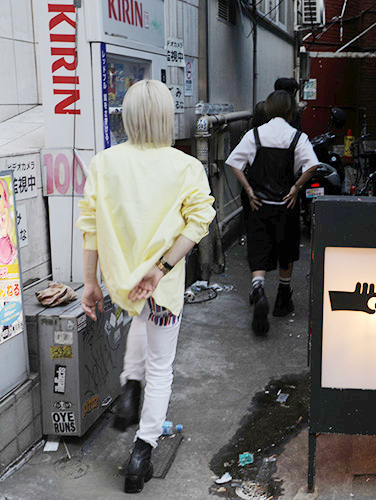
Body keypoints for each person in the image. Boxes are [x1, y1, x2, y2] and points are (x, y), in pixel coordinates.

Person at [77, 80, 215, 494]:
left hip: (124, 283)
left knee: (139, 319)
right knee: (162, 366)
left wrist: (89, 282)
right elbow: (199, 222)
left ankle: (129, 387)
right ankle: (142, 453)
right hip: (163, 286)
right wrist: (161, 268)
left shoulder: (104, 163)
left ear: (129, 116)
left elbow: (90, 227)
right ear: (166, 117)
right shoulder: (185, 166)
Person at [226, 90, 319, 334]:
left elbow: (234, 162)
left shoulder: (255, 134)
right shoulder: (297, 137)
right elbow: (312, 165)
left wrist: (248, 190)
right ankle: (282, 298)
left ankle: (258, 290)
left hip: (259, 204)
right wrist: (296, 187)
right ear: (290, 111)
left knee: (259, 247)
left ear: (267, 109)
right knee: (286, 248)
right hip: (286, 204)